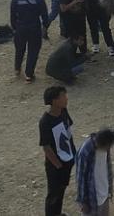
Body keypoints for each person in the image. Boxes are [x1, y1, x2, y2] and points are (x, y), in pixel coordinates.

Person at [39, 85, 76, 216]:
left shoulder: (64, 111)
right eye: (63, 96)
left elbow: (68, 131)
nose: (66, 98)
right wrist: (58, 166)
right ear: (54, 101)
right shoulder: (45, 121)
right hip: (56, 165)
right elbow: (46, 147)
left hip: (67, 159)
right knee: (53, 195)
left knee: (61, 191)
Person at [11, 0, 49, 83]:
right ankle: (29, 74)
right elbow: (45, 16)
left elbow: (12, 17)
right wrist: (45, 27)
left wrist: (15, 28)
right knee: (33, 51)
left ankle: (17, 69)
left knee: (19, 49)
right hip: (34, 28)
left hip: (20, 28)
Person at [75, 128, 114, 216]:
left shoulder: (105, 148)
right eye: (107, 147)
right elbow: (80, 179)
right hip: (91, 198)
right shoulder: (85, 152)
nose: (108, 149)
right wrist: (83, 201)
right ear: (101, 144)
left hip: (104, 195)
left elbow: (107, 169)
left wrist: (109, 190)